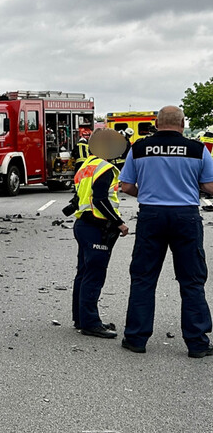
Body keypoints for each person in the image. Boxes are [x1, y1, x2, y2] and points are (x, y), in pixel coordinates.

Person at [118, 105, 213, 357]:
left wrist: (148, 192)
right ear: (182, 123)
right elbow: (209, 185)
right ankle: (197, 343)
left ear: (157, 123)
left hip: (151, 215)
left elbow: (126, 186)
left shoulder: (139, 148)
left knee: (143, 277)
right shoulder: (198, 149)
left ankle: (136, 338)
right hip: (186, 216)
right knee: (192, 280)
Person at [71, 128, 130, 338]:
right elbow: (100, 200)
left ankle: (80, 318)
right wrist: (119, 223)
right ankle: (91, 323)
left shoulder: (86, 166)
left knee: (83, 273)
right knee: (94, 275)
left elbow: (78, 198)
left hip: (82, 225)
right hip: (97, 227)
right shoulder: (106, 168)